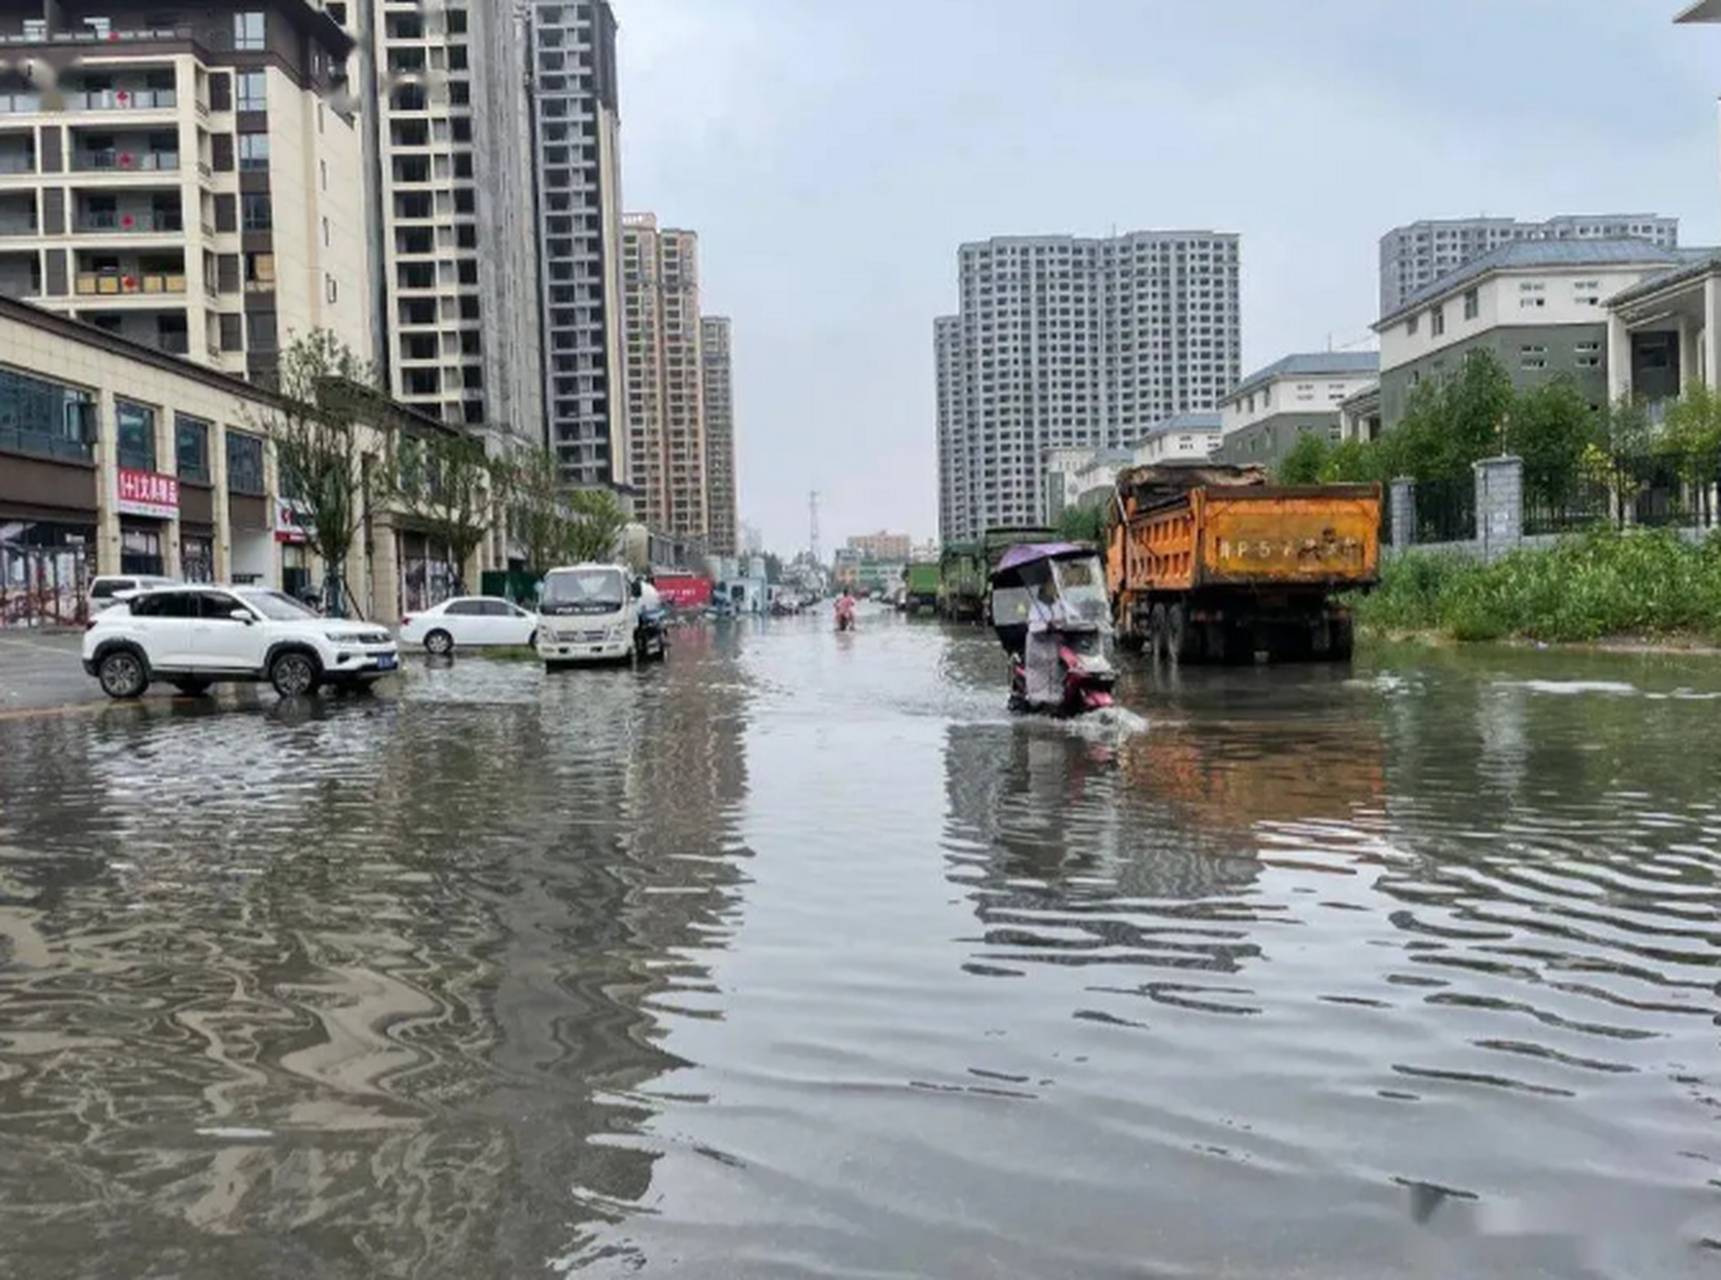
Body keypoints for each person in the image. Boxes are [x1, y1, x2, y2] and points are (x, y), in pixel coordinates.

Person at [1023, 571, 1070, 707]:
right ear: (1043, 587)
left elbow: (1070, 617)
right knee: (1041, 678)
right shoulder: (1036, 606)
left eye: (1056, 584)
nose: (1054, 587)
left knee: (1056, 674)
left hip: (1054, 647)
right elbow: (1033, 627)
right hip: (1039, 649)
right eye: (1051, 584)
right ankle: (1038, 702)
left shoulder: (1059, 605)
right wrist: (1046, 626)